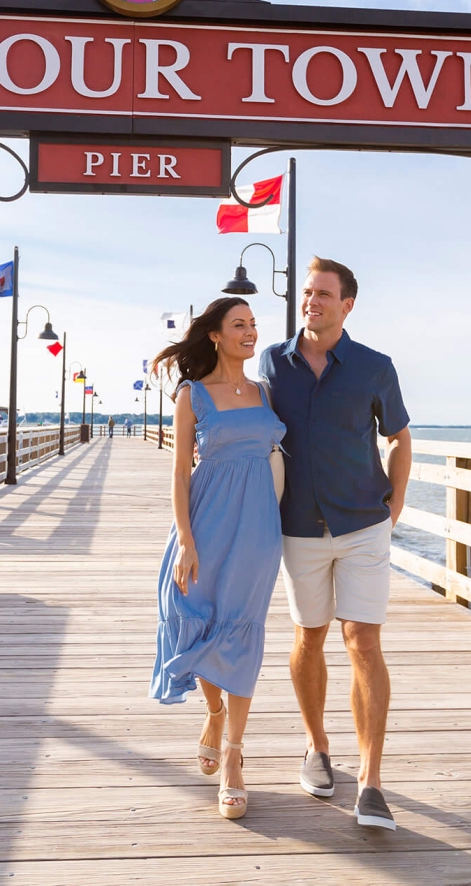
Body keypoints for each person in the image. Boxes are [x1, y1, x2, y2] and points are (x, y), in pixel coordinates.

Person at [258, 257, 411, 831]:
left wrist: (394, 506)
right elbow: (242, 410)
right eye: (307, 293)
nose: (311, 302)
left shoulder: (375, 367)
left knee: (362, 641)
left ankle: (371, 782)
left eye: (323, 294)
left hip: (362, 525)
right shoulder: (273, 361)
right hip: (298, 526)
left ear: (348, 304)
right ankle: (317, 747)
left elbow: (399, 437)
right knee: (309, 635)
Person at [149, 298, 286, 819]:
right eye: (239, 325)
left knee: (241, 626)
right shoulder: (192, 395)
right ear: (215, 335)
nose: (250, 332)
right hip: (206, 519)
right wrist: (185, 539)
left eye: (253, 325)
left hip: (257, 526)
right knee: (199, 617)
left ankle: (233, 755)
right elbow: (180, 472)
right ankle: (213, 711)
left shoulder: (266, 391)